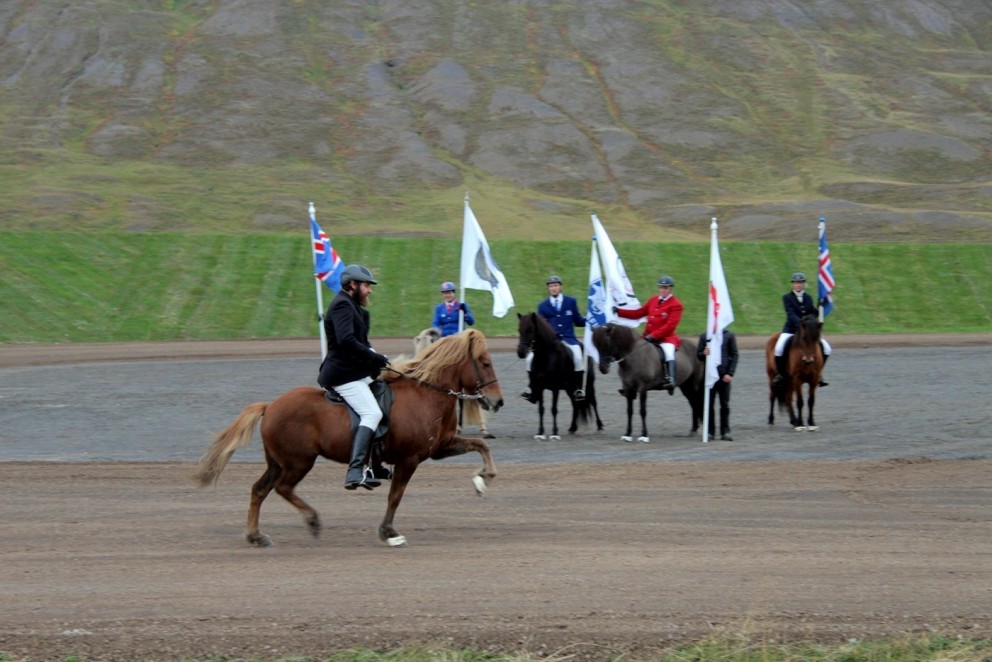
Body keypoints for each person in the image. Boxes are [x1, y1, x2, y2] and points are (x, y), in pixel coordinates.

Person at [317, 264, 391, 490]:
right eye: (367, 285)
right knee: (372, 412)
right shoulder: (342, 305)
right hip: (343, 375)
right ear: (353, 285)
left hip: (355, 371)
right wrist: (374, 357)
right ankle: (355, 470)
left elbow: (363, 343)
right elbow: (347, 341)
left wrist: (379, 358)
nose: (369, 290)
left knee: (386, 396)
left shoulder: (354, 307)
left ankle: (375, 463)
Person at [520, 275, 587, 402]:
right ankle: (531, 387)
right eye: (551, 286)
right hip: (550, 342)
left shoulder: (571, 302)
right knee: (529, 359)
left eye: (556, 285)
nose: (553, 288)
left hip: (568, 339)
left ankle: (578, 388)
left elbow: (578, 320)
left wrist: (588, 318)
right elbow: (539, 326)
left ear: (560, 287)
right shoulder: (542, 306)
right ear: (548, 289)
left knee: (578, 357)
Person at [614, 275, 683, 393]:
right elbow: (638, 313)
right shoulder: (653, 300)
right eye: (661, 287)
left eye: (665, 288)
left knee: (668, 353)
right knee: (631, 351)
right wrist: (619, 312)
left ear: (670, 289)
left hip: (665, 338)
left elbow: (670, 326)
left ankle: (670, 379)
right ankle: (628, 382)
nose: (662, 290)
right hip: (648, 336)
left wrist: (654, 335)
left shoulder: (676, 305)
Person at [772, 272, 831, 386]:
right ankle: (780, 374)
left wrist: (821, 306)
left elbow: (812, 313)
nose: (798, 285)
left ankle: (819, 373)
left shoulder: (808, 298)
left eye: (800, 283)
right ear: (792, 284)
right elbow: (790, 314)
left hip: (807, 332)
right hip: (791, 330)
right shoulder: (787, 298)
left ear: (803, 284)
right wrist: (801, 323)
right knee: (779, 348)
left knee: (827, 348)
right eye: (796, 283)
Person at [697, 328, 739, 441]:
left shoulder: (729, 335)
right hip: (709, 377)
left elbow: (734, 355)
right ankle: (710, 431)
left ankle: (725, 431)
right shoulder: (704, 336)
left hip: (724, 376)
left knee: (724, 404)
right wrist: (703, 353)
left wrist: (730, 373)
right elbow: (698, 355)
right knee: (709, 405)